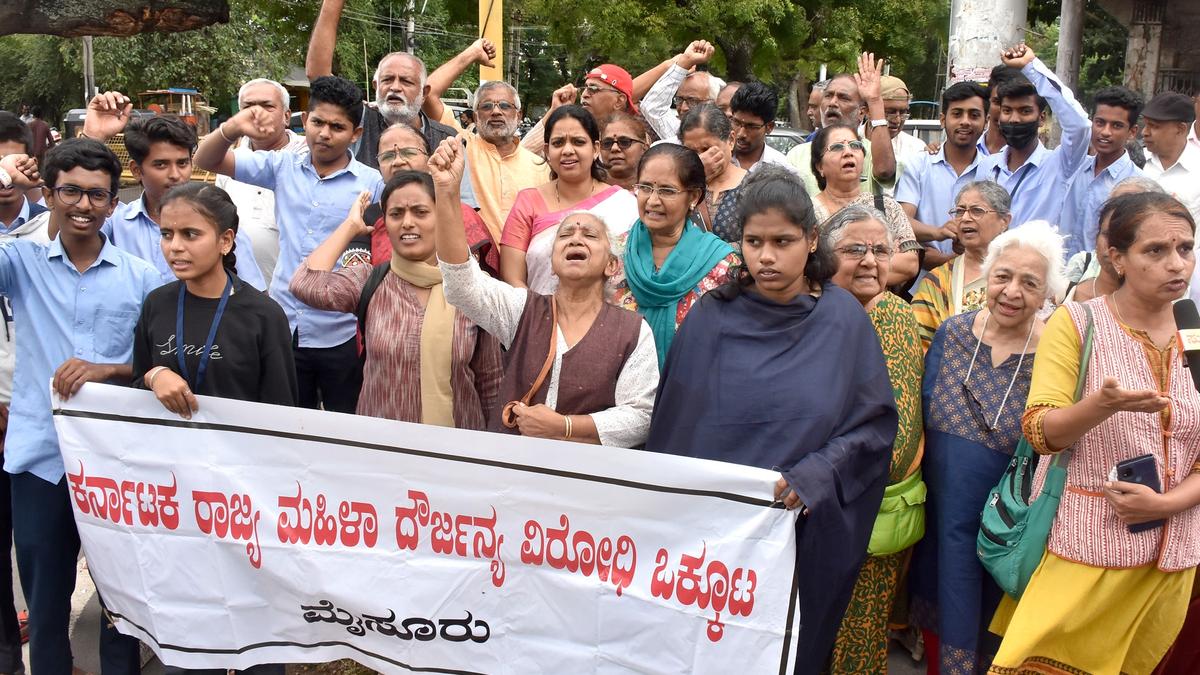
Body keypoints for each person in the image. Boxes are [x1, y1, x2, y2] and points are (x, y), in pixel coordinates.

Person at [646, 166, 897, 672]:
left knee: (787, 651)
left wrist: (819, 472)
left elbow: (873, 427)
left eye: (782, 241)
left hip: (802, 533)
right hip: (713, 538)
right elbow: (675, 429)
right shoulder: (711, 318)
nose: (765, 256)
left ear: (811, 240)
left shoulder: (844, 320)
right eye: (753, 241)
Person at [989, 193, 1200, 675]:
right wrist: (1099, 406)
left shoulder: (1195, 329)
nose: (1176, 263)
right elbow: (1039, 430)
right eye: (1155, 250)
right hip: (1088, 549)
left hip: (1172, 560)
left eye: (1185, 248)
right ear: (1117, 258)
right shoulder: (1078, 323)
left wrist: (1165, 504)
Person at [0, 138, 160, 674]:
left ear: (114, 203)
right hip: (41, 460)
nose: (83, 205)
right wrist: (6, 179)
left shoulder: (142, 277)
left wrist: (107, 370)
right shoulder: (19, 263)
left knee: (122, 609)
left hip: (117, 465)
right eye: (70, 191)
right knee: (46, 606)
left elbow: (159, 363)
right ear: (48, 194)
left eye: (96, 195)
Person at [909, 220, 1066, 675]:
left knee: (994, 631)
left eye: (1029, 283)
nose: (1012, 292)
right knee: (942, 603)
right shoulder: (952, 333)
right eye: (1003, 276)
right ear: (986, 278)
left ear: (1047, 294)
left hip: (1008, 523)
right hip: (942, 513)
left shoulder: (1056, 353)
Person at [432, 138, 658, 448]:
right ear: (552, 264)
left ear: (611, 265)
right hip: (512, 470)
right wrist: (447, 193)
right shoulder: (522, 310)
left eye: (589, 234)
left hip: (584, 474)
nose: (575, 239)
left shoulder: (633, 330)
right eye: (565, 235)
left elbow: (641, 417)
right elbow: (462, 286)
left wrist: (564, 427)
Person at [194, 75, 384, 414]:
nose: (324, 134)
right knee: (288, 421)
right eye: (318, 122)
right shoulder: (281, 167)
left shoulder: (372, 184)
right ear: (305, 120)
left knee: (344, 424)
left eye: (337, 127)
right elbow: (205, 160)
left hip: (341, 329)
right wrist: (234, 126)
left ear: (355, 134)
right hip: (284, 325)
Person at [291, 170, 502, 428]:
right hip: (381, 444)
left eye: (420, 212)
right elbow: (304, 282)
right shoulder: (370, 280)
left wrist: (492, 445)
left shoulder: (471, 290)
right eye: (396, 214)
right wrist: (350, 227)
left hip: (457, 445)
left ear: (442, 217)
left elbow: (490, 382)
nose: (407, 222)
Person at [823, 204, 925, 674]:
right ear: (825, 256)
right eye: (855, 250)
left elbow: (900, 429)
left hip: (875, 505)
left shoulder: (896, 316)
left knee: (859, 634)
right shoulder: (814, 311)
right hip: (819, 501)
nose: (870, 261)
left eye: (881, 251)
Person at [81, 92, 266, 290]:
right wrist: (93, 136)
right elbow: (64, 231)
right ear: (136, 170)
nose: (175, 175)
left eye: (182, 163)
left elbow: (254, 295)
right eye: (161, 164)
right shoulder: (115, 223)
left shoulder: (220, 224)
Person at [610, 144, 738, 368]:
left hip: (694, 383)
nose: (652, 201)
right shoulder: (613, 254)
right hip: (618, 384)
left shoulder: (722, 265)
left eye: (667, 190)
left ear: (694, 196)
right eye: (645, 188)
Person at [0, 117, 48, 675]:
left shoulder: (50, 227)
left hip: (42, 414)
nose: (8, 176)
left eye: (18, 163)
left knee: (44, 547)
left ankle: (53, 642)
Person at [415, 44, 551, 238]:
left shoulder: (539, 166)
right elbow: (427, 93)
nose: (496, 111)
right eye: (486, 106)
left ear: (518, 115)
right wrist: (472, 53)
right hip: (473, 255)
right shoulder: (461, 146)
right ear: (476, 116)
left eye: (504, 105)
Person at [499, 105, 637, 294]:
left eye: (578, 142)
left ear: (595, 149)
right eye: (558, 143)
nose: (567, 150)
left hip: (612, 310)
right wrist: (543, 310)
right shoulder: (528, 202)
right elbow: (512, 278)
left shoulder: (624, 204)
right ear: (547, 151)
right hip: (539, 310)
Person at [306, 0, 458, 168]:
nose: (395, 87)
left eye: (406, 81)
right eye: (387, 80)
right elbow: (318, 76)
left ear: (424, 93)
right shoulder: (360, 120)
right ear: (375, 86)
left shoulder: (446, 139)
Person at [978, 44, 1091, 228]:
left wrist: (1030, 66)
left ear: (1041, 118)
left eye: (1025, 111)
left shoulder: (1060, 164)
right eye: (1007, 111)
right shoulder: (987, 167)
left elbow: (1080, 125)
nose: (1014, 119)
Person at [365, 122, 499, 275]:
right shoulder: (368, 218)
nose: (398, 161)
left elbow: (470, 279)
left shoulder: (462, 214)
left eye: (408, 153)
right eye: (387, 156)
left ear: (428, 159)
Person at [214, 78, 309, 283]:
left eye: (267, 106)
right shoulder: (228, 163)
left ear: (286, 116)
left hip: (298, 288)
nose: (257, 113)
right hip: (240, 289)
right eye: (248, 107)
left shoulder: (309, 157)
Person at [809, 123, 921, 286]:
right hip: (824, 300)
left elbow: (909, 265)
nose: (848, 152)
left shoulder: (886, 207)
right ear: (820, 166)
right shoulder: (808, 211)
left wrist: (837, 263)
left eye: (855, 146)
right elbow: (807, 267)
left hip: (878, 302)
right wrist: (883, 256)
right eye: (837, 147)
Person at [897, 81, 991, 270]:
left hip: (978, 278)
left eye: (974, 115)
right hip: (921, 278)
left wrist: (950, 259)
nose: (965, 121)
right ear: (942, 119)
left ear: (986, 122)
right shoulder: (918, 165)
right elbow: (901, 221)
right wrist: (938, 232)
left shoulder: (993, 171)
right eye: (957, 114)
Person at [912, 181, 1013, 350]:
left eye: (977, 210)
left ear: (1004, 221)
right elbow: (919, 345)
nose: (965, 218)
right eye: (960, 211)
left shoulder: (1023, 275)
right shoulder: (936, 282)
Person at [786, 53, 898, 197]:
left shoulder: (872, 152)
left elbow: (885, 171)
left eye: (843, 98)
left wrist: (875, 101)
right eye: (828, 95)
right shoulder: (797, 155)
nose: (832, 103)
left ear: (861, 112)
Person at [1059, 86, 1144, 258]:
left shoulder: (1137, 185)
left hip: (1099, 273)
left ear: (1132, 132)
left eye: (1116, 126)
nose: (1105, 132)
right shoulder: (1073, 168)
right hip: (1058, 269)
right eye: (1100, 122)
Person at [1140, 91, 1200, 306]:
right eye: (1145, 124)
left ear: (1181, 129)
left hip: (1184, 282)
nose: (1145, 132)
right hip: (1137, 276)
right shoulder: (1137, 163)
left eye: (1154, 126)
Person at [1064, 176, 1165, 303]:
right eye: (1116, 203)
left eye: (1133, 206)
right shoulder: (1082, 265)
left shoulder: (1169, 288)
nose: (1121, 214)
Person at [521, 63, 641, 157]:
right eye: (585, 88)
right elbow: (522, 159)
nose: (584, 95)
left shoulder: (636, 140)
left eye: (593, 89)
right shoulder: (574, 134)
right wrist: (554, 112)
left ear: (619, 101)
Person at [679, 103, 748, 243]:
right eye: (692, 152)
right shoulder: (679, 184)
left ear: (731, 140)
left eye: (707, 149)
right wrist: (695, 176)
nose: (701, 158)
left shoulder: (754, 186)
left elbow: (759, 241)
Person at [639, 40, 726, 144]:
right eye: (679, 100)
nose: (683, 108)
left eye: (692, 101)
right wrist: (685, 62)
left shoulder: (729, 135)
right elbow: (651, 106)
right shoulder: (678, 134)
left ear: (713, 103)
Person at [728, 81, 794, 173]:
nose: (741, 134)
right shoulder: (715, 162)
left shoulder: (783, 170)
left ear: (769, 127)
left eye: (751, 126)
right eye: (736, 122)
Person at [880, 75, 928, 164]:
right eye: (890, 112)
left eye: (903, 112)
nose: (897, 120)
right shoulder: (855, 141)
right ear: (868, 110)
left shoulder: (916, 149)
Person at [599, 112, 650, 192]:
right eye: (607, 143)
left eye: (624, 142)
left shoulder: (657, 189)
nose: (614, 148)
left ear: (645, 148)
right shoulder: (587, 190)